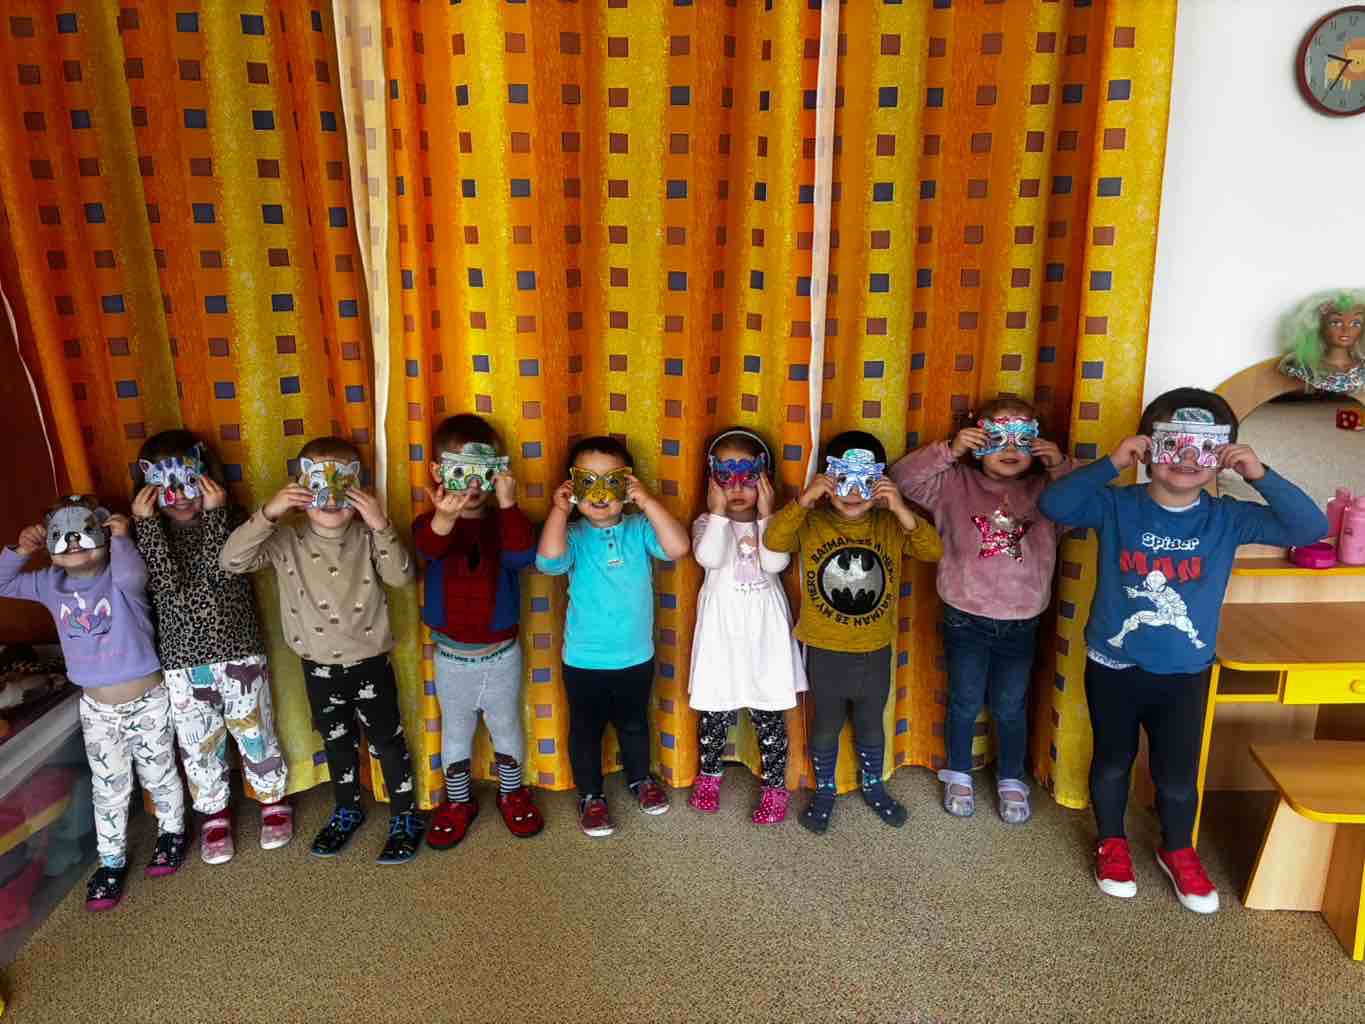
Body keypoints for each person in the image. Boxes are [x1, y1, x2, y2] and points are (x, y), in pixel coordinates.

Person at [1039, 388, 1328, 913]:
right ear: (1149, 447)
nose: (1189, 457)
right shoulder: (1117, 505)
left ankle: (1177, 848)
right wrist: (1113, 462)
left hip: (1185, 673)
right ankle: (1112, 841)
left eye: (1206, 446)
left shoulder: (1228, 517)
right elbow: (1054, 505)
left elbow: (1310, 528)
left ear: (1222, 454)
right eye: (1174, 443)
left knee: (1176, 776)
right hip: (1113, 666)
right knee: (1112, 761)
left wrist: (1259, 474)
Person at [220, 436, 422, 864]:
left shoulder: (368, 535)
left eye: (343, 486)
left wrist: (380, 523)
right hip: (318, 669)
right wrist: (270, 512)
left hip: (371, 665)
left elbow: (401, 577)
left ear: (360, 490)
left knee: (387, 742)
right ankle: (348, 808)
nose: (330, 498)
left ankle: (405, 814)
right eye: (318, 485)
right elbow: (232, 561)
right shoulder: (285, 539)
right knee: (337, 743)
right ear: (300, 489)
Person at [889, 398, 1073, 824]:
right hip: (964, 616)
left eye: (1022, 438)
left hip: (1022, 620)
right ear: (976, 440)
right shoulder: (953, 483)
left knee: (1011, 705)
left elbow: (1085, 503)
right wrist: (950, 449)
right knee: (965, 700)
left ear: (1038, 443)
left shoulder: (1049, 491)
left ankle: (1011, 776)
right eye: (996, 436)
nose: (1009, 447)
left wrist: (1060, 465)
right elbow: (901, 479)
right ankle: (958, 771)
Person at [0, 496, 186, 910]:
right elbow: (3, 583)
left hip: (148, 701)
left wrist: (121, 539)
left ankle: (172, 834)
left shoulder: (120, 574)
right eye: (61, 536)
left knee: (160, 775)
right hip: (98, 711)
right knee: (109, 789)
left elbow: (135, 576)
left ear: (102, 533)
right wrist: (21, 551)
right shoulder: (50, 583)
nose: (73, 543)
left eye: (83, 533)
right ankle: (111, 861)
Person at [762, 431, 942, 833]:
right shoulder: (812, 522)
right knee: (826, 724)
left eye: (866, 481)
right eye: (844, 479)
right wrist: (805, 500)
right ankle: (825, 789)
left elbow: (933, 550)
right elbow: (774, 540)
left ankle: (873, 785)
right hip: (824, 649)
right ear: (828, 479)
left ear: (881, 482)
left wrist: (900, 508)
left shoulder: (889, 525)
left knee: (870, 722)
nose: (854, 491)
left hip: (874, 649)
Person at [132, 430, 291, 864]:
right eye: (166, 487)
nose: (180, 496)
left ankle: (273, 799)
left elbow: (222, 571)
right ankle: (214, 813)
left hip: (239, 650)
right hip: (181, 662)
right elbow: (165, 584)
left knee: (255, 731)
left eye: (190, 483)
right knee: (198, 744)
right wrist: (146, 525)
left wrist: (217, 514)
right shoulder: (146, 535)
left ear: (207, 478)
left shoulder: (231, 519)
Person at [535, 436, 690, 837]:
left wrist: (647, 501)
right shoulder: (572, 535)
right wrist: (559, 510)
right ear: (572, 487)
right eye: (588, 482)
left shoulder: (639, 529)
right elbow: (549, 563)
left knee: (635, 724)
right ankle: (591, 796)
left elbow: (678, 547)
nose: (600, 494)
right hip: (583, 660)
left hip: (635, 656)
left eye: (612, 481)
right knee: (585, 732)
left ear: (627, 484)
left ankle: (640, 778)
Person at [413, 414, 543, 848]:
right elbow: (428, 548)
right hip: (451, 659)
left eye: (482, 472)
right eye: (460, 471)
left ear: (498, 472)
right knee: (455, 732)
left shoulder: (506, 522)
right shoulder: (429, 522)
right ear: (438, 471)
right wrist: (444, 517)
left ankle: (512, 792)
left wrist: (507, 505)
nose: (471, 484)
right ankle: (458, 801)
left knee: (506, 727)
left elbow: (523, 556)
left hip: (501, 655)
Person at [687, 429, 806, 825]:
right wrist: (719, 514)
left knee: (768, 712)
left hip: (764, 633)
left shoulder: (775, 526)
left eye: (748, 477)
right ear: (712, 481)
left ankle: (775, 786)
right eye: (725, 477)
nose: (736, 487)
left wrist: (769, 516)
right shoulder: (706, 523)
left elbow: (774, 563)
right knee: (714, 710)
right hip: (721, 632)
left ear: (765, 480)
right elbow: (708, 558)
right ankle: (709, 775)